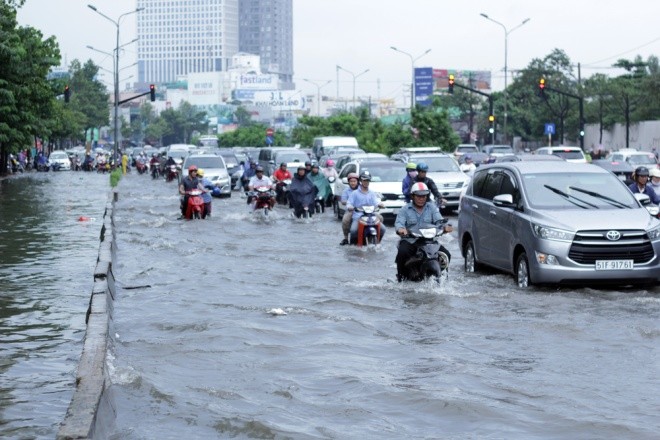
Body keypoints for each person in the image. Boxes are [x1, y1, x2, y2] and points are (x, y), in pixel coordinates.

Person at [394, 182, 453, 282]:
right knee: (402, 252)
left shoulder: (432, 207)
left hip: (429, 241)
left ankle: (444, 278)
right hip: (411, 241)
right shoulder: (405, 209)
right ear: (412, 196)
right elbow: (399, 223)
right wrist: (401, 229)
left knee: (446, 254)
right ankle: (401, 278)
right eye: (418, 196)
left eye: (424, 196)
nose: (421, 198)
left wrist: (445, 227)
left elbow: (439, 221)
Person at [346, 171, 386, 243]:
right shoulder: (355, 193)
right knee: (353, 230)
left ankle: (378, 243)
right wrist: (350, 207)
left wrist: (380, 204)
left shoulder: (372, 192)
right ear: (361, 181)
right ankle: (352, 246)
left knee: (383, 229)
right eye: (364, 180)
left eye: (367, 180)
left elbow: (376, 202)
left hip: (371, 216)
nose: (366, 182)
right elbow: (349, 203)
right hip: (358, 216)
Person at [339, 172, 360, 245]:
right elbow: (343, 201)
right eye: (351, 181)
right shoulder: (346, 191)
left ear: (358, 181)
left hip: (363, 210)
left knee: (379, 218)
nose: (353, 183)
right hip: (351, 210)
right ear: (348, 182)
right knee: (345, 220)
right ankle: (346, 238)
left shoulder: (362, 189)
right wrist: (350, 203)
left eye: (354, 181)